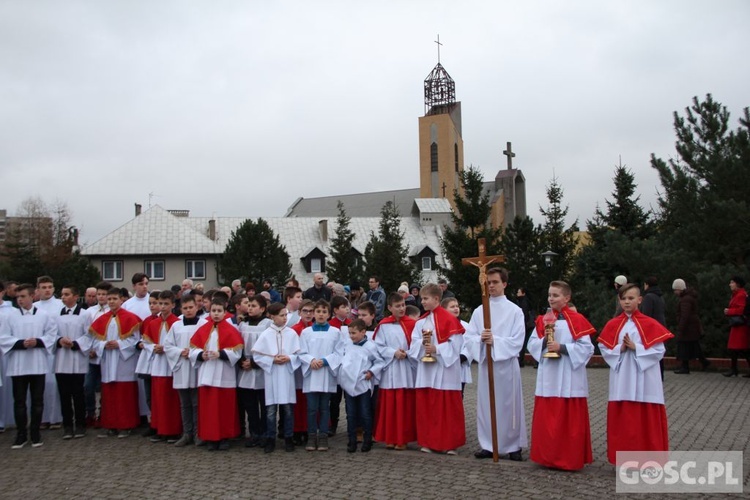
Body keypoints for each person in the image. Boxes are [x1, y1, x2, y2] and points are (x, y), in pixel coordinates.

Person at [598, 283, 674, 465]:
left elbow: (658, 350)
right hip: (622, 377)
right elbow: (603, 347)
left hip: (645, 378)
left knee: (645, 420)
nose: (627, 302)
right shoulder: (614, 324)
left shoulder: (650, 324)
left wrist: (637, 348)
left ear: (639, 300)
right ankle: (623, 460)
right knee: (624, 420)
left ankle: (649, 459)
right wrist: (620, 348)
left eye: (631, 298)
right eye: (623, 299)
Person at [527, 281, 595, 470]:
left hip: (569, 377)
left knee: (568, 420)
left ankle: (568, 458)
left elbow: (587, 348)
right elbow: (531, 344)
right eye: (549, 295)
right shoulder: (543, 319)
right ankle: (548, 457)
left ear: (567, 298)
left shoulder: (578, 319)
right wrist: (543, 343)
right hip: (549, 375)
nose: (551, 298)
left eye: (556, 295)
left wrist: (562, 347)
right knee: (548, 419)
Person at [464, 268, 526, 461]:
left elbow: (517, 340)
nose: (491, 285)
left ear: (504, 284)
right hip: (487, 364)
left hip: (506, 366)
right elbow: (469, 337)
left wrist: (496, 340)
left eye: (495, 282)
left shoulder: (515, 311)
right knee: (486, 405)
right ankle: (488, 445)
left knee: (509, 405)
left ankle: (513, 445)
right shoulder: (479, 311)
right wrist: (480, 340)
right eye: (488, 282)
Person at [408, 283, 465, 455]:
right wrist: (423, 344)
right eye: (422, 298)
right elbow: (413, 344)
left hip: (445, 370)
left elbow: (456, 344)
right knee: (427, 407)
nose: (422, 301)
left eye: (425, 298)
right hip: (427, 370)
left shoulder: (449, 320)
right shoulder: (421, 322)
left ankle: (449, 443)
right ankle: (428, 441)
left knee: (446, 408)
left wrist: (437, 350)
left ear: (436, 299)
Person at [0, 283, 57, 448]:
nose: (20, 300)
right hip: (18, 364)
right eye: (18, 297)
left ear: (32, 296)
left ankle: (35, 433)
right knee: (19, 401)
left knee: (37, 400)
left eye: (23, 296)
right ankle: (21, 434)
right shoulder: (9, 316)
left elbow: (51, 334)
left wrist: (38, 341)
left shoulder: (44, 315)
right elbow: (3, 337)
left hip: (37, 363)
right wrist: (20, 343)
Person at [189, 298, 243, 451]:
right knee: (208, 410)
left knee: (224, 408)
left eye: (219, 311)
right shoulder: (202, 329)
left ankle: (224, 437)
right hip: (206, 373)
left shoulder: (231, 330)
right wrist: (201, 355)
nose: (216, 314)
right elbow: (193, 349)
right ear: (209, 312)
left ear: (225, 312)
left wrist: (221, 354)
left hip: (224, 374)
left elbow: (237, 351)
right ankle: (210, 437)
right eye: (213, 311)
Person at [90, 287, 142, 439]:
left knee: (124, 394)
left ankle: (126, 425)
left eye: (114, 299)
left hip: (123, 361)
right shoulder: (102, 319)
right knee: (109, 394)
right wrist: (103, 345)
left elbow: (135, 339)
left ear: (121, 300)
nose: (111, 301)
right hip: (108, 359)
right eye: (109, 299)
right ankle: (111, 424)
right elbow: (94, 340)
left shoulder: (131, 318)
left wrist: (119, 344)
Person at [252, 303, 301, 453]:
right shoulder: (266, 334)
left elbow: (299, 354)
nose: (285, 318)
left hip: (286, 375)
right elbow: (257, 356)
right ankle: (270, 439)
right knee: (271, 411)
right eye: (281, 315)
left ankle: (288, 437)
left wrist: (289, 358)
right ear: (272, 317)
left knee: (288, 409)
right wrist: (271, 360)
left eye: (286, 315)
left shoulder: (291, 333)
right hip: (272, 375)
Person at [373, 292, 417, 450]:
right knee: (389, 405)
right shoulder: (383, 325)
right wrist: (393, 353)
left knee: (404, 405)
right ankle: (390, 438)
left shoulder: (412, 324)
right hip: (391, 368)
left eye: (403, 305)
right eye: (398, 306)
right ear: (390, 307)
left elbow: (417, 344)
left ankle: (403, 438)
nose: (402, 309)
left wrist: (407, 354)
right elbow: (378, 346)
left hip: (406, 367)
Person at [299, 299, 343, 451]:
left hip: (326, 373)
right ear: (313, 314)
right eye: (318, 311)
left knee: (324, 408)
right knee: (311, 408)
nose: (321, 315)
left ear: (329, 314)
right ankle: (312, 435)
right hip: (311, 374)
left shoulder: (335, 332)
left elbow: (339, 353)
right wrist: (311, 360)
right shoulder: (306, 332)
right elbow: (301, 352)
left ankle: (323, 435)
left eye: (324, 312)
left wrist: (325, 361)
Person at [162, 293, 204, 447]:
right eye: (185, 308)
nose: (188, 310)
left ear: (197, 307)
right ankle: (187, 433)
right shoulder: (176, 325)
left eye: (191, 307)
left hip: (196, 367)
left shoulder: (203, 324)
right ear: (180, 309)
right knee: (184, 403)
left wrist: (194, 353)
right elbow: (168, 346)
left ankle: (199, 433)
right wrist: (181, 352)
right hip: (181, 366)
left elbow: (207, 344)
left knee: (196, 403)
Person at [339, 319, 384, 453]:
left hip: (363, 384)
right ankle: (351, 440)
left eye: (354, 333)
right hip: (349, 384)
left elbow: (379, 362)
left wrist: (371, 372)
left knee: (365, 413)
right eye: (349, 333)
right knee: (351, 414)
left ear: (363, 332)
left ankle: (367, 440)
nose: (351, 336)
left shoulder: (370, 346)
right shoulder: (347, 344)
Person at [54, 285, 92, 439]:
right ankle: (67, 425)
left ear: (76, 297)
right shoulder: (56, 315)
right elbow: (51, 334)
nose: (63, 297)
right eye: (62, 294)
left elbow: (89, 335)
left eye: (67, 294)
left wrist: (76, 344)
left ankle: (81, 424)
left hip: (77, 359)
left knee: (78, 394)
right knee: (64, 395)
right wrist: (59, 340)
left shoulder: (84, 314)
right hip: (61, 359)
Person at [146, 291, 181, 443]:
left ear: (173, 305)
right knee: (158, 399)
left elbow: (181, 343)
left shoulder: (178, 323)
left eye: (166, 304)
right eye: (160, 303)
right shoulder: (153, 323)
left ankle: (173, 430)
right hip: (158, 365)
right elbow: (146, 342)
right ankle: (159, 428)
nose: (163, 307)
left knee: (171, 400)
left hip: (172, 365)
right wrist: (154, 347)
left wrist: (166, 349)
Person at [237, 295, 272, 448]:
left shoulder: (267, 325)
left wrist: (254, 362)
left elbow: (270, 347)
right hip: (245, 367)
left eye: (253, 306)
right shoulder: (242, 325)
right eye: (249, 305)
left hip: (261, 368)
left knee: (264, 405)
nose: (250, 308)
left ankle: (265, 433)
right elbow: (237, 344)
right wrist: (242, 361)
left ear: (263, 309)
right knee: (250, 406)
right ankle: (254, 433)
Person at [33, 276, 64, 430]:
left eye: (50, 287)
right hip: (39, 350)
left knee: (54, 384)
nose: (47, 290)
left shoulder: (60, 305)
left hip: (56, 350)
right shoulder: (34, 307)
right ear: (37, 289)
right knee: (40, 385)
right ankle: (42, 417)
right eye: (43, 287)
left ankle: (56, 417)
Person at [671, 279, 709, 375]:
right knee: (694, 345)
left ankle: (685, 367)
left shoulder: (685, 299)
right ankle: (704, 362)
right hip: (692, 327)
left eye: (675, 290)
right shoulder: (689, 297)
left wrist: (681, 327)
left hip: (688, 327)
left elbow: (685, 315)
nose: (675, 292)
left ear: (680, 289)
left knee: (683, 346)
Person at [290, 300, 314, 445]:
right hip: (297, 370)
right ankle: (296, 430)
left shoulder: (316, 329)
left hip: (311, 368)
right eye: (305, 311)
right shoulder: (294, 329)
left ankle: (308, 429)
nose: (308, 314)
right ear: (299, 313)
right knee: (297, 401)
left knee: (309, 402)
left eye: (311, 311)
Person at [723, 276, 749, 377]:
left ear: (737, 284)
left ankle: (734, 369)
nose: (730, 284)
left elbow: (742, 310)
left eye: (732, 282)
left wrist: (729, 311)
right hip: (737, 325)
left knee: (740, 348)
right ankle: (733, 369)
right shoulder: (736, 294)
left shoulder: (741, 295)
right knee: (737, 348)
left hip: (740, 326)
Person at [515, 287, 533, 367]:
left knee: (522, 343)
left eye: (519, 292)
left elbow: (524, 314)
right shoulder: (523, 301)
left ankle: (520, 360)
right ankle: (520, 360)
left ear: (523, 293)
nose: (517, 294)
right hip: (526, 325)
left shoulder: (523, 302)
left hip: (525, 325)